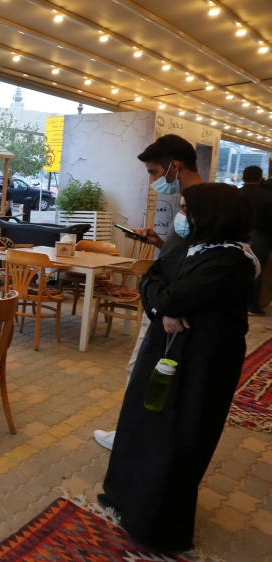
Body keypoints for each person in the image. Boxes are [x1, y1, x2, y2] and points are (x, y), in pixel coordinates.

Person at [100, 183, 258, 552]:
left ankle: (155, 527)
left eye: (187, 209)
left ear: (213, 214)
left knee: (177, 434)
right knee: (141, 419)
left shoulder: (232, 259)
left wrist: (167, 301)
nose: (181, 217)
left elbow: (172, 292)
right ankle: (124, 496)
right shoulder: (193, 246)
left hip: (203, 360)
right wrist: (165, 308)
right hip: (167, 348)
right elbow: (151, 278)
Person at [93, 134, 203, 451]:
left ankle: (130, 436)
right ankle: (139, 434)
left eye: (154, 173)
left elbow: (197, 263)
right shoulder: (194, 202)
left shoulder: (196, 205)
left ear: (174, 167)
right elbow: (185, 253)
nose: (154, 181)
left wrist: (171, 305)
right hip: (167, 304)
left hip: (168, 307)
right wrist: (158, 243)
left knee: (140, 370)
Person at [240, 165, 272, 315]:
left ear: (243, 177)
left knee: (236, 268)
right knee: (256, 270)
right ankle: (252, 305)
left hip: (238, 235)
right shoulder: (267, 197)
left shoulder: (235, 194)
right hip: (260, 237)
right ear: (260, 178)